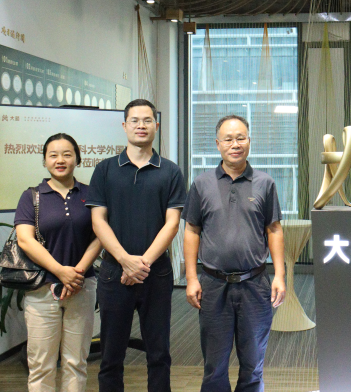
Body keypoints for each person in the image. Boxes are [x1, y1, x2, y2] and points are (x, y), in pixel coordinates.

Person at [87, 99, 186, 392]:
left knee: (159, 353)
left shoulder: (170, 171)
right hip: (113, 273)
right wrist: (125, 260)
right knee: (111, 355)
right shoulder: (105, 170)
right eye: (135, 120)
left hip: (156, 273)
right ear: (124, 126)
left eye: (147, 120)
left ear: (156, 125)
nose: (141, 126)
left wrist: (142, 264)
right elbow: (98, 222)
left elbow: (172, 224)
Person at [182, 114, 286, 392]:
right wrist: (191, 278)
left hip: (255, 284)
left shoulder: (265, 183)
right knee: (214, 365)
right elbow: (191, 230)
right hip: (213, 285)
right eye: (228, 139)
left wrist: (280, 275)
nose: (235, 144)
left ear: (249, 141)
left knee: (253, 364)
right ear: (217, 144)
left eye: (240, 138)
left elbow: (274, 229)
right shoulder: (201, 184)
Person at [15, 133, 102, 392]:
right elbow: (25, 240)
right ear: (45, 161)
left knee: (76, 363)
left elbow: (100, 236)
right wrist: (60, 271)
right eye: (53, 155)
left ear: (78, 159)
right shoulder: (31, 196)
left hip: (81, 288)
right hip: (42, 290)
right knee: (41, 365)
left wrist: (77, 272)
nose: (60, 160)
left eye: (67, 154)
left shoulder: (91, 194)